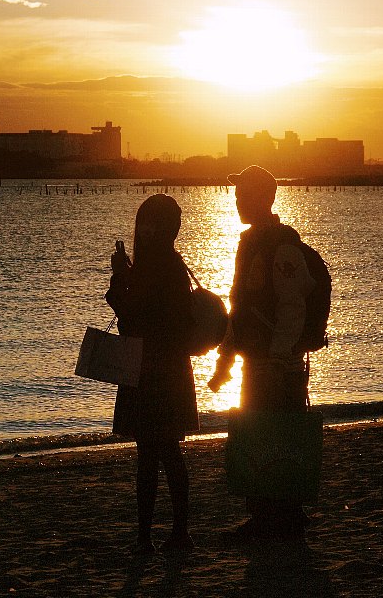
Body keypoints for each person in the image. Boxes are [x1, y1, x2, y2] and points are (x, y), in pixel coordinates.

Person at [209, 165, 315, 542]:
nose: (238, 202)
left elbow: (291, 309)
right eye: (237, 196)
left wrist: (279, 359)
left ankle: (280, 518)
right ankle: (269, 517)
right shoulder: (249, 243)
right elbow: (240, 310)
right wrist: (225, 362)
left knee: (275, 437)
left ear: (265, 198)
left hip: (276, 365)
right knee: (261, 436)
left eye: (244, 196)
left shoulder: (282, 246)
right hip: (258, 362)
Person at [105, 194, 199, 555]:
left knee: (151, 453)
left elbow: (130, 313)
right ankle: (177, 532)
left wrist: (119, 277)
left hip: (148, 368)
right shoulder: (174, 265)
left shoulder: (152, 267)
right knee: (167, 450)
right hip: (171, 367)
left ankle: (148, 537)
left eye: (146, 222)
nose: (141, 228)